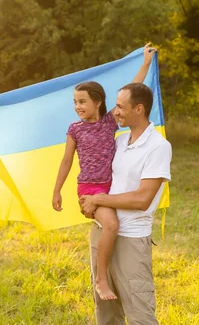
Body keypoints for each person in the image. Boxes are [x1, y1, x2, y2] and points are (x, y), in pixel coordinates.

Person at [52, 43, 156, 300]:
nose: (77, 106)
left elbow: (134, 91)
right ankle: (101, 280)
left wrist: (145, 63)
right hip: (89, 188)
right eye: (75, 102)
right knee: (111, 224)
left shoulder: (110, 121)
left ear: (98, 102)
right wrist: (57, 190)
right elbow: (66, 161)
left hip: (111, 187)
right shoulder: (74, 129)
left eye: (82, 101)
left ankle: (116, 275)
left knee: (113, 226)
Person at [79, 82, 172, 325]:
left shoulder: (158, 147)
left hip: (131, 238)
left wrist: (99, 199)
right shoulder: (119, 141)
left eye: (121, 106)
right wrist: (89, 202)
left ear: (139, 109)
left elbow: (143, 199)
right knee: (106, 313)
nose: (115, 111)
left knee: (140, 314)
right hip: (102, 233)